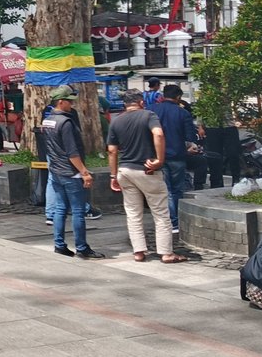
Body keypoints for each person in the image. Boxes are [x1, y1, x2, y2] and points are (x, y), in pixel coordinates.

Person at [109, 89, 181, 263]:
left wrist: (113, 176)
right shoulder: (148, 115)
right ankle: (166, 253)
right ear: (141, 102)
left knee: (133, 213)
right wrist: (159, 159)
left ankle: (139, 252)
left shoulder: (116, 121)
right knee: (161, 213)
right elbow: (158, 134)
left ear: (125, 104)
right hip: (147, 170)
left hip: (125, 171)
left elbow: (112, 150)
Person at [42, 86, 105, 259]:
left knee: (60, 209)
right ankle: (82, 247)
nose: (71, 104)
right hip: (71, 172)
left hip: (55, 171)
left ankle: (59, 244)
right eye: (69, 101)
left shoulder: (47, 121)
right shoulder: (66, 122)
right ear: (60, 102)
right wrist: (84, 172)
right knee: (78, 211)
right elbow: (72, 152)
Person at [149, 84, 196, 234]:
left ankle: (169, 221)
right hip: (177, 155)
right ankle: (174, 222)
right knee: (176, 190)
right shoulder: (183, 113)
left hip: (157, 156)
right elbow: (190, 137)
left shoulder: (151, 110)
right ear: (178, 97)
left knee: (165, 191)